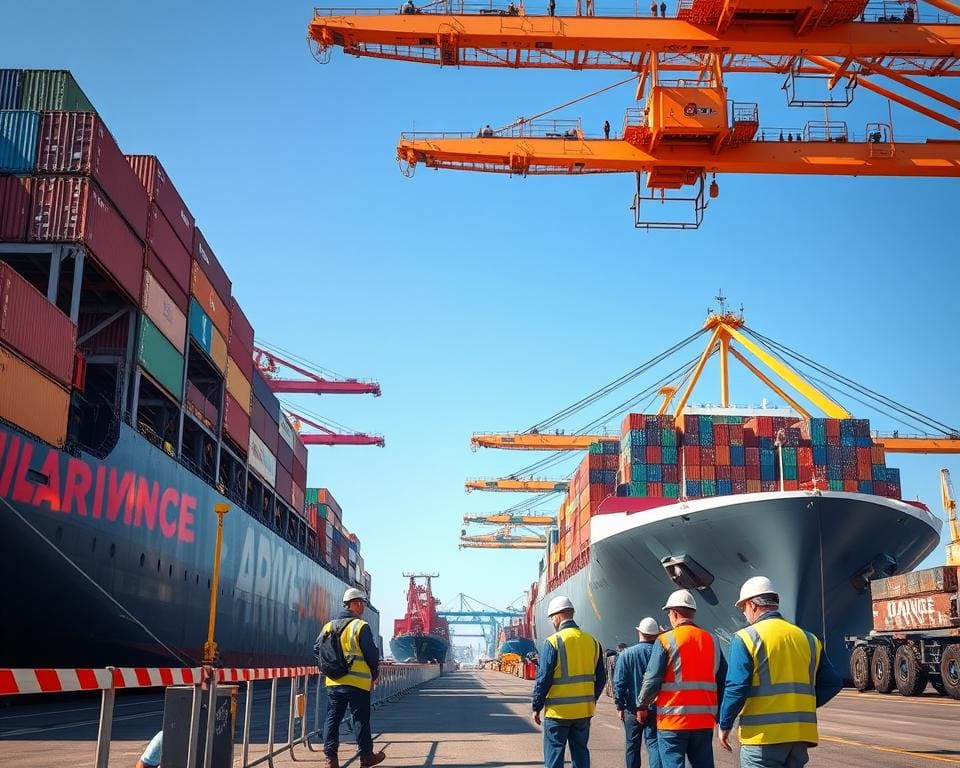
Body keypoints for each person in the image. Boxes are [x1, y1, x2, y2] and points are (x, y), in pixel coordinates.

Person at [718, 577, 843, 768]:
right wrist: (800, 705)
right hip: (799, 736)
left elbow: (736, 686)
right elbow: (833, 682)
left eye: (743, 608)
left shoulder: (745, 638)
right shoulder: (809, 639)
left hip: (762, 738)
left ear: (752, 605)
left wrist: (725, 724)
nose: (744, 613)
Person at [637, 590, 726, 768]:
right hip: (703, 721)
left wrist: (642, 704)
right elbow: (722, 681)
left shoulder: (665, 640)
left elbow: (652, 679)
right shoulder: (713, 640)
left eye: (669, 613)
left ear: (675, 613)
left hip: (673, 722)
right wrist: (719, 715)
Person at [531, 596, 607, 768]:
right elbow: (601, 679)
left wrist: (536, 706)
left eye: (551, 618)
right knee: (581, 754)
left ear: (557, 616)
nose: (552, 622)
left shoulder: (553, 642)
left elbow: (543, 679)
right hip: (583, 712)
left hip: (558, 714)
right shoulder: (593, 642)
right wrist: (589, 699)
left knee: (554, 756)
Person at [320, 588, 385, 768]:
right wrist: (375, 674)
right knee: (360, 720)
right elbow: (371, 654)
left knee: (332, 720)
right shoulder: (360, 626)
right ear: (354, 603)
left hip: (334, 683)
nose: (363, 606)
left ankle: (330, 760)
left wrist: (326, 668)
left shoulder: (328, 626)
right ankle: (366, 758)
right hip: (357, 683)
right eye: (362, 603)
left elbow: (317, 650)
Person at [615, 618, 662, 768]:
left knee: (632, 746)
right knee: (654, 744)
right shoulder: (663, 653)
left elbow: (619, 683)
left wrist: (620, 706)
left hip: (632, 708)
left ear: (639, 632)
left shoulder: (626, 654)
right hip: (657, 708)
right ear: (656, 634)